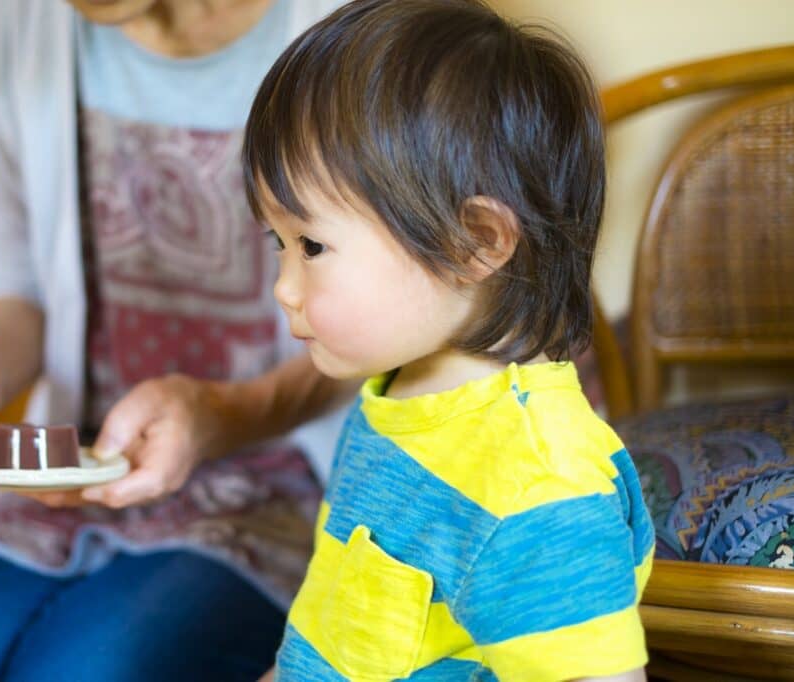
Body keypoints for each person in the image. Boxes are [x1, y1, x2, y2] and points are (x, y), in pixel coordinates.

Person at [0, 1, 353, 680]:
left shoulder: (358, 27)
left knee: (87, 668)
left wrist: (222, 416)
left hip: (288, 481)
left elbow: (396, 322)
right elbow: (19, 286)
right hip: (71, 469)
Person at [242, 1, 656, 679]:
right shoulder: (396, 397)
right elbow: (335, 627)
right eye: (277, 241)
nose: (284, 286)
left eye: (311, 244)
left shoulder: (535, 486)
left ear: (476, 241)